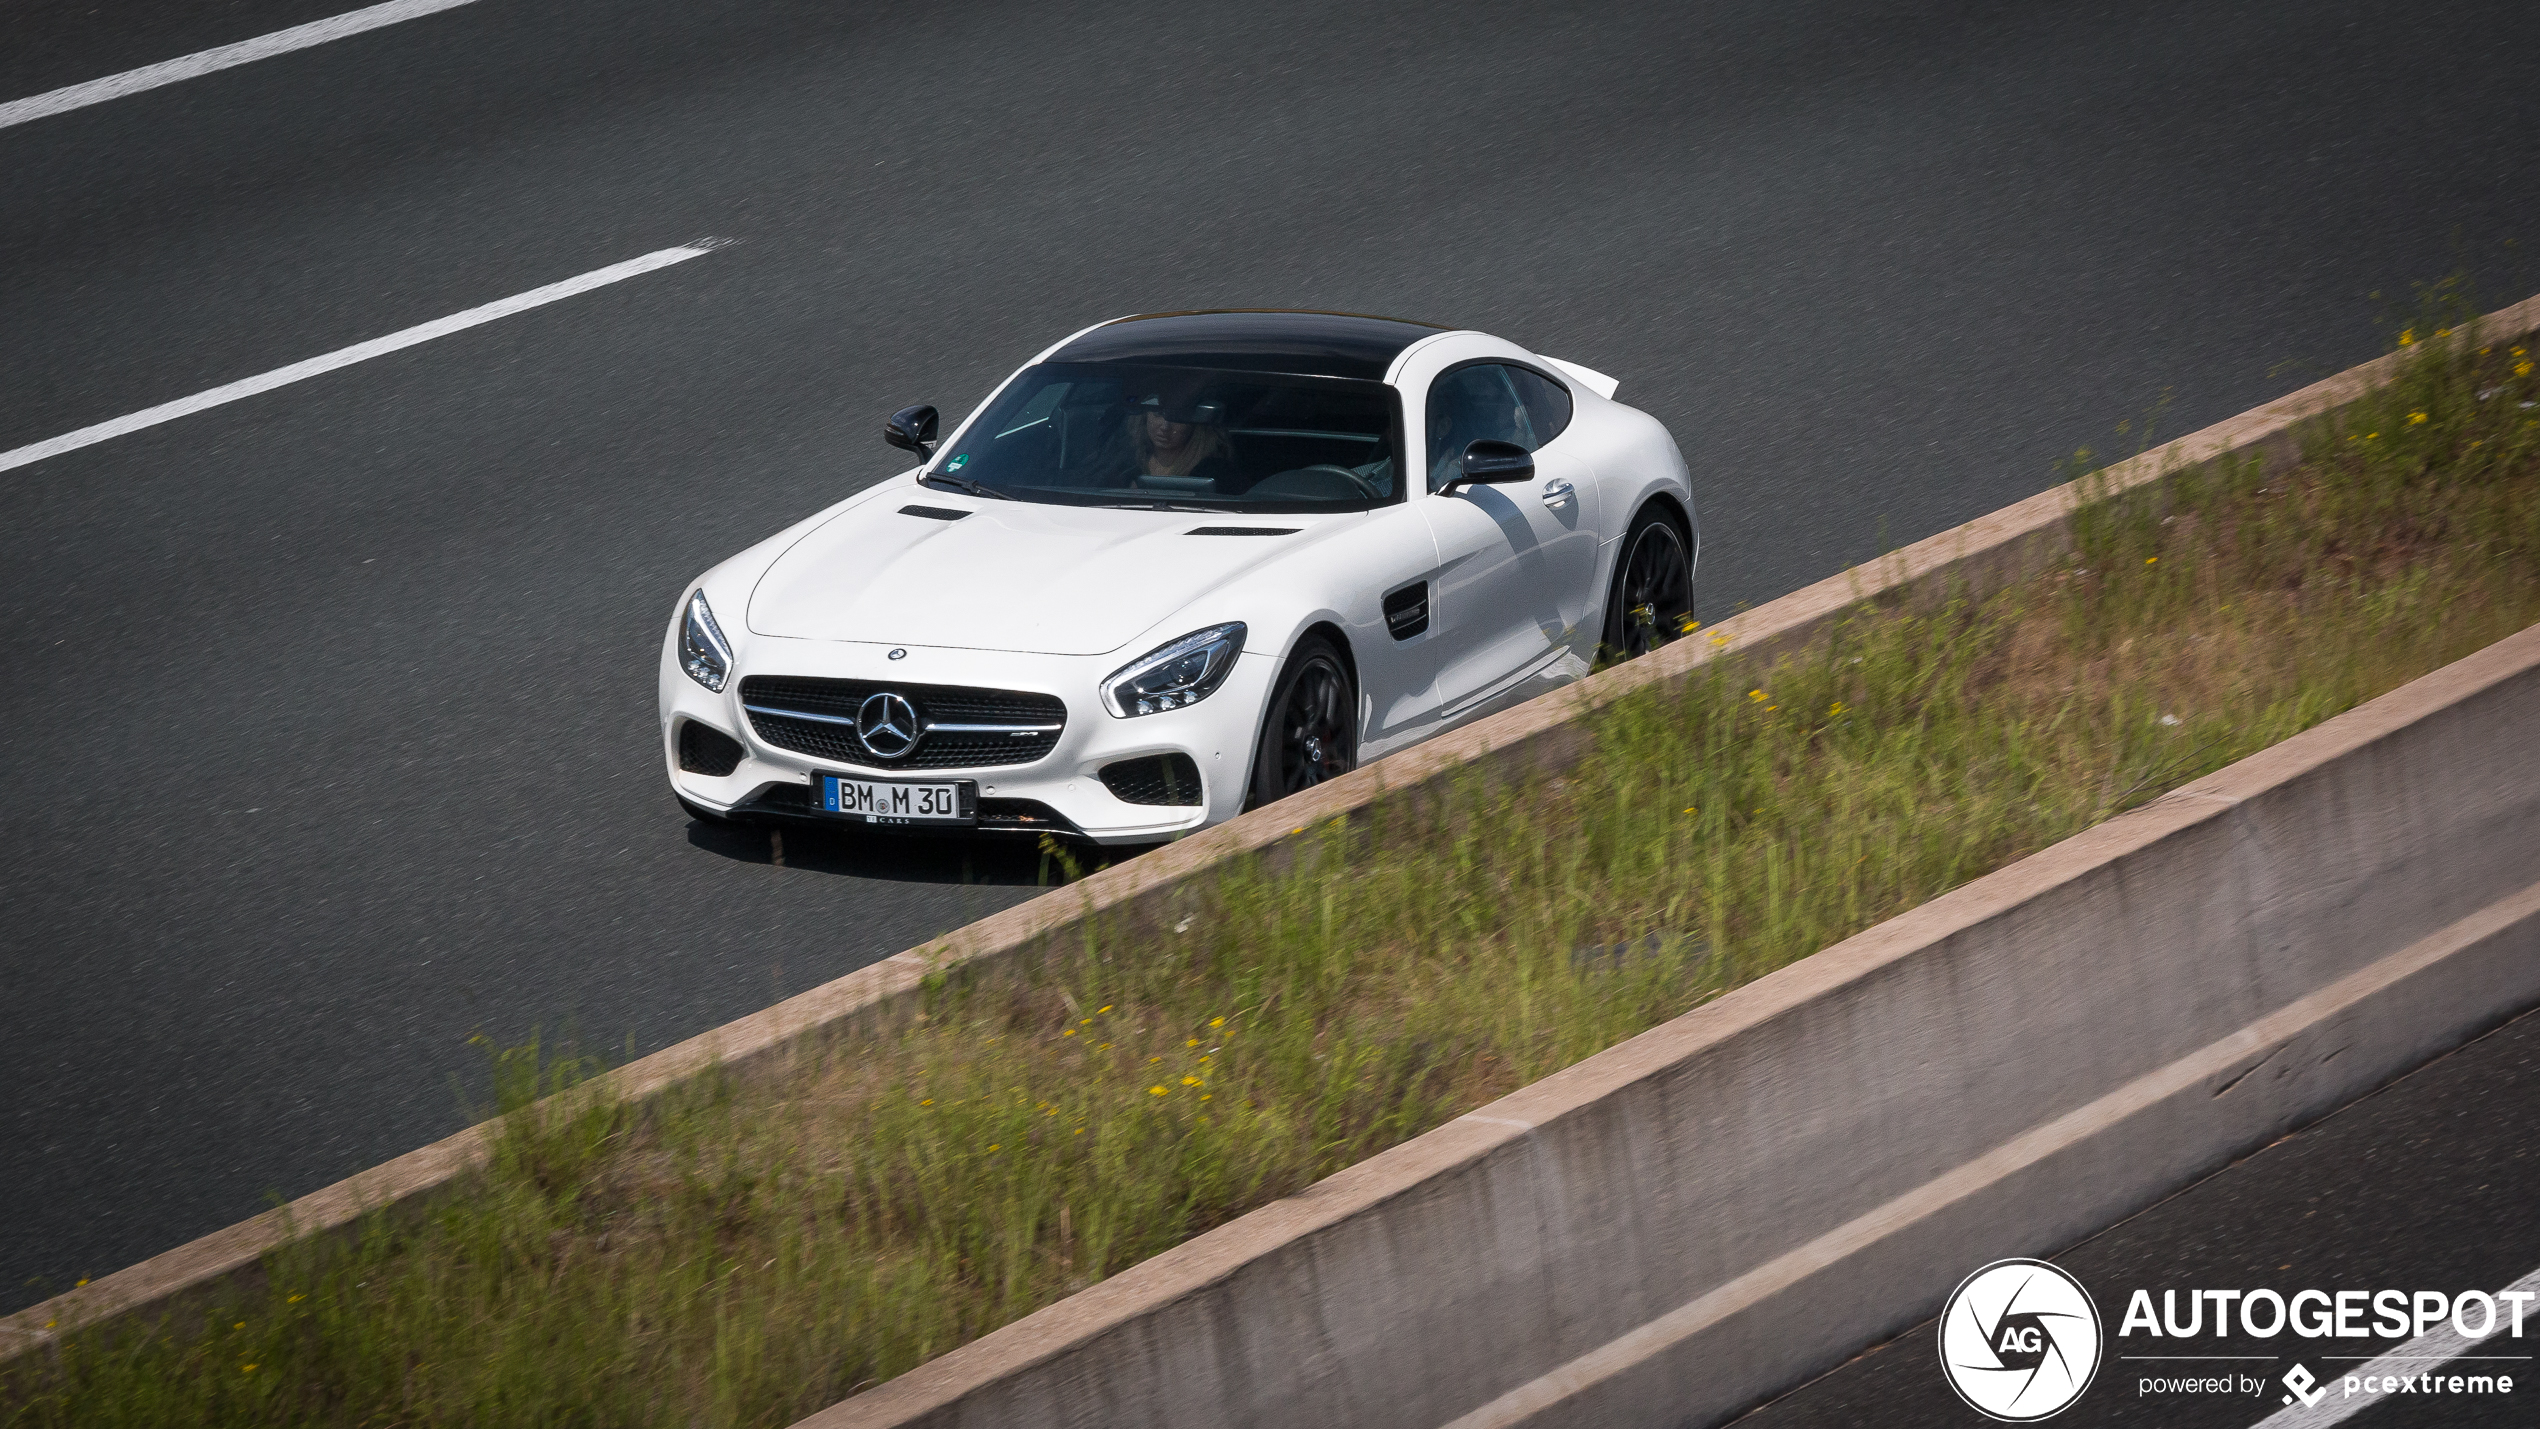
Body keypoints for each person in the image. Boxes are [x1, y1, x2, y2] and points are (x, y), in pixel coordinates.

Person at [1125, 396, 1236, 483]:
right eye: (1158, 414)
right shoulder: (1124, 464)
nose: (1165, 427)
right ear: (1145, 417)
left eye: (1178, 417)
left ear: (1194, 424)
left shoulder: (1215, 472)